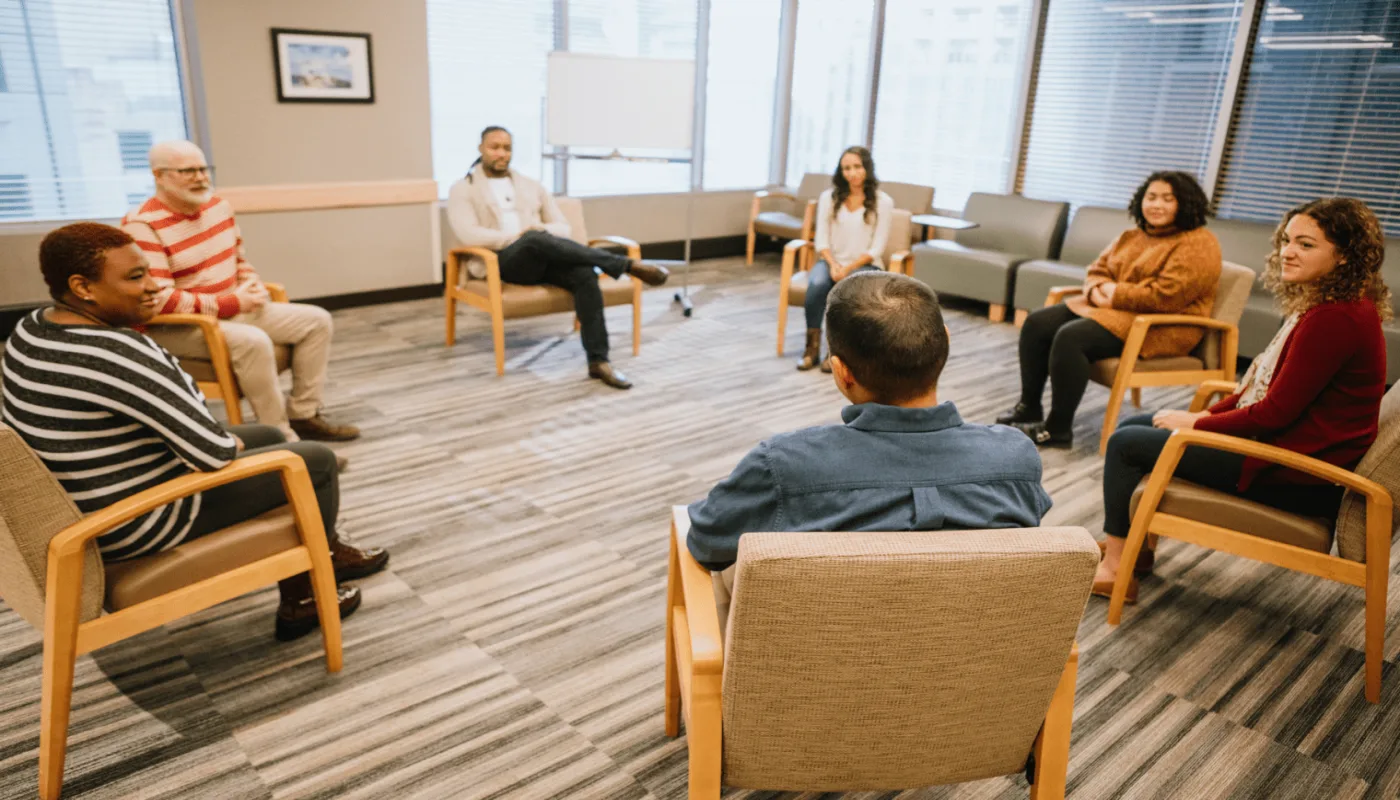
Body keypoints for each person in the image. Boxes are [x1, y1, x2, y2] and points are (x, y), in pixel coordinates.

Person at [1, 223, 389, 641]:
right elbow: (212, 453)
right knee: (316, 462)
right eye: (136, 277)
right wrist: (224, 442)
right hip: (137, 520)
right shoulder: (121, 353)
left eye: (149, 273)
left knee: (271, 438)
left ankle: (324, 553)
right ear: (83, 288)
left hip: (91, 501)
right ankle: (305, 597)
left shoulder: (31, 329)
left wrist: (225, 440)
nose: (154, 287)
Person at [688, 272, 1052, 622]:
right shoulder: (1016, 459)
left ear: (841, 371)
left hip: (821, 657)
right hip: (974, 656)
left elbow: (705, 543)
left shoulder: (783, 467)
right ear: (945, 343)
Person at [1094, 198, 1391, 601]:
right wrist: (1202, 416)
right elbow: (1257, 394)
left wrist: (1198, 424)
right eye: (1287, 240)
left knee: (1126, 443)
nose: (1287, 251)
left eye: (1306, 244)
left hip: (1293, 474)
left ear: (1344, 256)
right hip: (1286, 454)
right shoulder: (1337, 306)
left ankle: (1115, 571)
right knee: (1137, 424)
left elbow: (1273, 413)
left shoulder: (1335, 319)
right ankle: (1134, 550)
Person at [122, 140, 358, 444]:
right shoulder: (142, 225)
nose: (200, 177)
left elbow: (238, 260)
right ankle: (281, 437)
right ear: (159, 176)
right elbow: (159, 299)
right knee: (254, 341)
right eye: (188, 171)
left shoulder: (219, 207)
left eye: (203, 169)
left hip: (234, 308)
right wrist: (231, 303)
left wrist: (251, 283)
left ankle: (304, 414)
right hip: (181, 326)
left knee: (317, 320)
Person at [997, 171, 1222, 448]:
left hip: (1164, 327)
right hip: (1119, 313)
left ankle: (1058, 429)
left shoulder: (1199, 243)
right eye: (1151, 197)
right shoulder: (1133, 235)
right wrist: (1096, 289)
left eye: (1168, 199)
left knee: (1072, 337)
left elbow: (1166, 297)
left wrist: (1114, 293)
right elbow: (1098, 269)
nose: (1157, 205)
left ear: (1186, 203)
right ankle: (1029, 406)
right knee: (1037, 323)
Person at [446, 126, 672, 390]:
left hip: (542, 258)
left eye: (507, 148)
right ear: (481, 149)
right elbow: (469, 234)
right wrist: (517, 238)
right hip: (502, 262)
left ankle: (599, 361)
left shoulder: (531, 186)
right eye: (494, 147)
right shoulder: (463, 189)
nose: (501, 153)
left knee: (584, 274)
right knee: (533, 238)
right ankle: (625, 265)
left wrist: (538, 232)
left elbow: (563, 228)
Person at [796, 145, 895, 372]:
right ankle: (811, 349)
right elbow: (821, 240)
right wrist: (833, 265)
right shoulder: (828, 198)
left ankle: (836, 352)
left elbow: (877, 248)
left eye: (857, 167)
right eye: (846, 168)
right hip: (831, 261)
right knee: (817, 285)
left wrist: (847, 269)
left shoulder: (883, 202)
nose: (852, 173)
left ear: (867, 168)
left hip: (866, 265)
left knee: (847, 290)